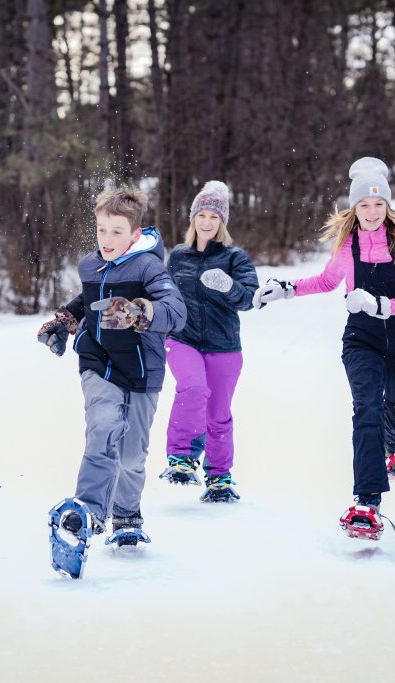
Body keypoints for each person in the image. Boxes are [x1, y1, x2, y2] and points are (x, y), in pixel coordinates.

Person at [252, 157, 395, 541]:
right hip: (361, 339)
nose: (370, 212)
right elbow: (326, 281)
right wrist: (286, 289)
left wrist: (382, 305)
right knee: (365, 407)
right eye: (363, 205)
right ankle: (366, 503)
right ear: (354, 208)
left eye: (378, 204)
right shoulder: (347, 245)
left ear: (387, 205)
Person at [37, 186, 186, 574]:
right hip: (97, 359)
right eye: (102, 230)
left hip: (141, 369)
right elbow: (86, 301)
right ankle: (85, 513)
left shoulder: (150, 267)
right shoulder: (90, 266)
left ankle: (126, 515)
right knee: (103, 427)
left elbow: (176, 310)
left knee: (132, 455)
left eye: (116, 232)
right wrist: (64, 322)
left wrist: (139, 311)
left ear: (135, 234)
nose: (107, 240)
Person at [159, 180, 259, 503]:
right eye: (201, 215)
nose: (206, 222)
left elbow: (249, 298)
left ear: (222, 222)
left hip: (224, 345)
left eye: (213, 217)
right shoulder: (178, 257)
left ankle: (219, 476)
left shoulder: (235, 257)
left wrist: (228, 285)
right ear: (193, 218)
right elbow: (163, 294)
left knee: (218, 413)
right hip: (182, 339)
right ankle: (181, 456)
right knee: (194, 388)